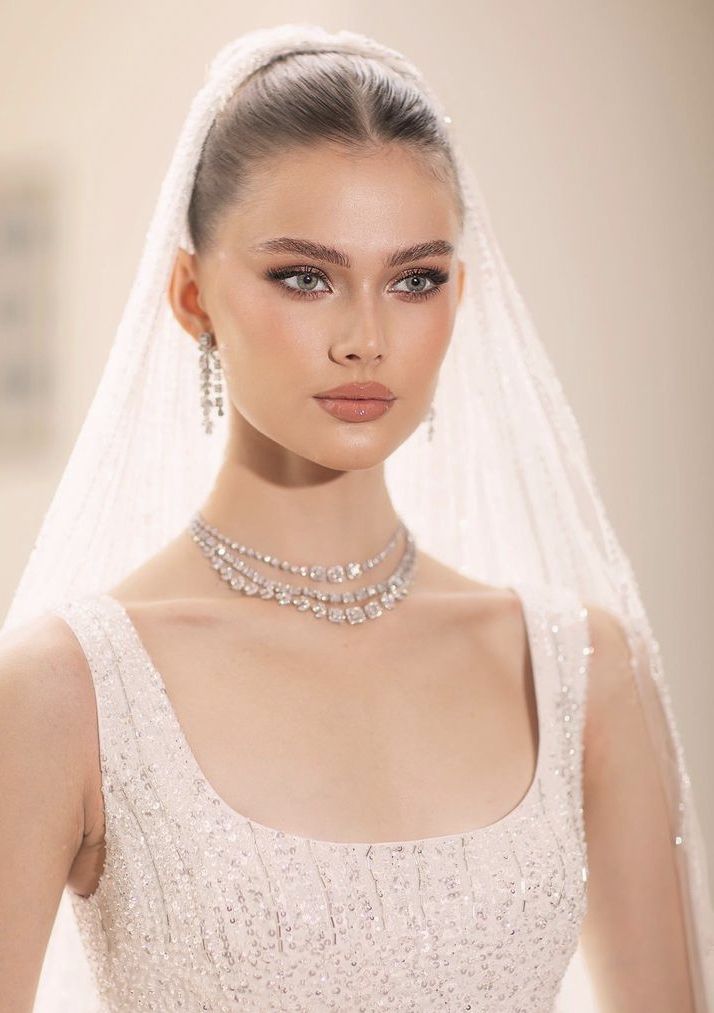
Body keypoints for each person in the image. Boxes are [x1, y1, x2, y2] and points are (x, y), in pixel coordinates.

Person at [1, 23, 712, 1013]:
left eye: (413, 279)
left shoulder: (583, 671)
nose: (366, 339)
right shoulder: (60, 691)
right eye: (305, 276)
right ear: (190, 292)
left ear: (458, 297)